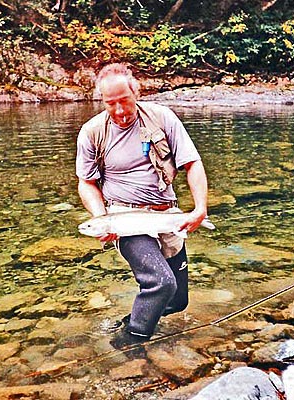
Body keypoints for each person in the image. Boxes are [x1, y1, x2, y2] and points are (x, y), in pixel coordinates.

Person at [75, 63, 209, 349]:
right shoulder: (92, 132)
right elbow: (86, 183)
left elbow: (192, 164)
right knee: (161, 283)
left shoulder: (162, 118)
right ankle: (128, 344)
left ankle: (129, 321)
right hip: (124, 218)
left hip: (166, 214)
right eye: (111, 104)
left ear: (136, 90)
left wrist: (199, 208)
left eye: (124, 100)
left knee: (177, 300)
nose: (120, 110)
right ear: (102, 101)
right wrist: (102, 219)